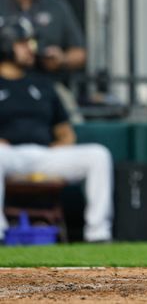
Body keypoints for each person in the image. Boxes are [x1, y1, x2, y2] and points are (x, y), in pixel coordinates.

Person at [0, 15, 113, 243]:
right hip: (8, 155)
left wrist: (60, 145)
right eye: (23, 43)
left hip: (44, 154)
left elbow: (65, 132)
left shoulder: (43, 84)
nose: (31, 49)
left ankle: (98, 234)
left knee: (98, 155)